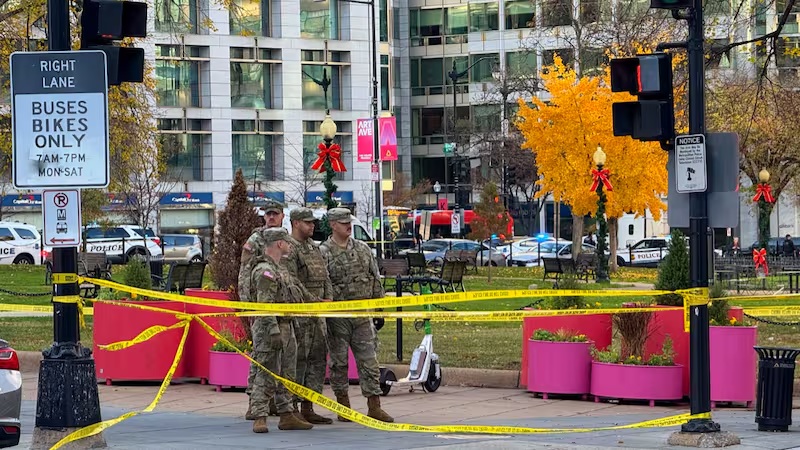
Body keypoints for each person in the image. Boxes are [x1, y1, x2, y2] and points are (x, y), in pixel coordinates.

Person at [320, 208, 393, 423]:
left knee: (369, 361)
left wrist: (379, 308)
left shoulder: (362, 249)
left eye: (349, 222)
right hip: (338, 318)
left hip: (362, 317)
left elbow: (374, 278)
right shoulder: (324, 252)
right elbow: (323, 285)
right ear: (333, 225)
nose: (348, 226)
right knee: (339, 363)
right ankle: (343, 406)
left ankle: (374, 405)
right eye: (343, 222)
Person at [249, 227, 313, 433]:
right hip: (270, 328)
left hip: (287, 326)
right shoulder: (265, 271)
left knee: (287, 373)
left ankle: (287, 414)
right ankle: (259, 416)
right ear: (279, 243)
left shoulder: (280, 269)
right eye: (286, 242)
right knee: (266, 372)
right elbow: (265, 304)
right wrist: (273, 330)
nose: (289, 245)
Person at [282, 207, 333, 425]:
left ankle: (308, 406)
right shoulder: (289, 248)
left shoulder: (314, 247)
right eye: (308, 222)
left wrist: (328, 298)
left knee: (318, 359)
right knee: (298, 360)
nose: (312, 226)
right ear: (295, 223)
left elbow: (325, 276)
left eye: (313, 222)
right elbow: (292, 281)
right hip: (301, 312)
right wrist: (313, 300)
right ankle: (292, 407)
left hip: (318, 313)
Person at [239, 199, 285, 420]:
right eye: (268, 214)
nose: (271, 217)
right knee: (261, 354)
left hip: (282, 306)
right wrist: (249, 306)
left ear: (282, 215)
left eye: (275, 214)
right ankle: (254, 403)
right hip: (261, 304)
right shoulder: (256, 240)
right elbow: (245, 272)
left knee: (279, 358)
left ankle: (273, 402)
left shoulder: (284, 239)